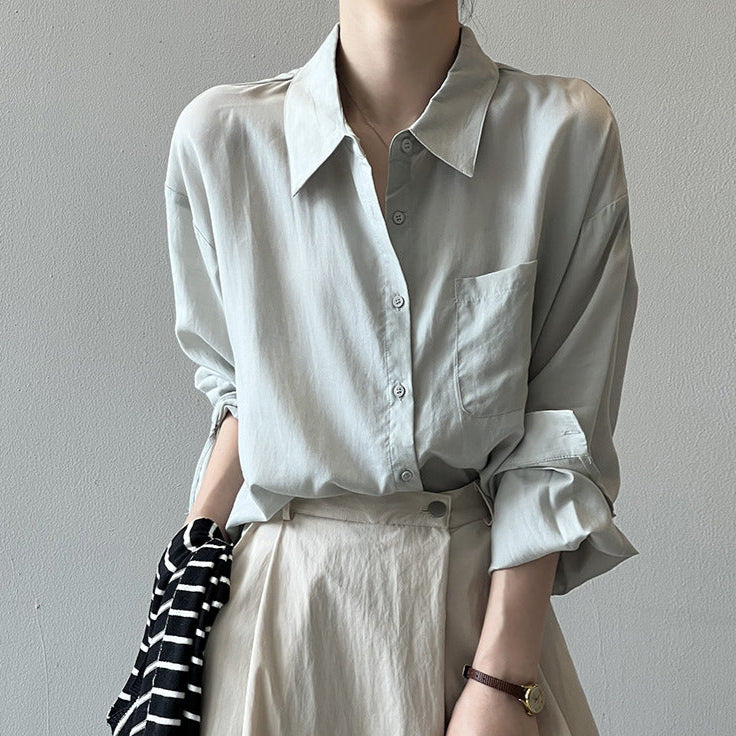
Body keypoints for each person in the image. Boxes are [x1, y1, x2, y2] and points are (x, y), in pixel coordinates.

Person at [164, 2, 640, 735]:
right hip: (274, 633)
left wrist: (503, 681)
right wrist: (177, 601)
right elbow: (238, 396)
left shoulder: (564, 136)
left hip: (473, 636)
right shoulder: (221, 139)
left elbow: (560, 433)